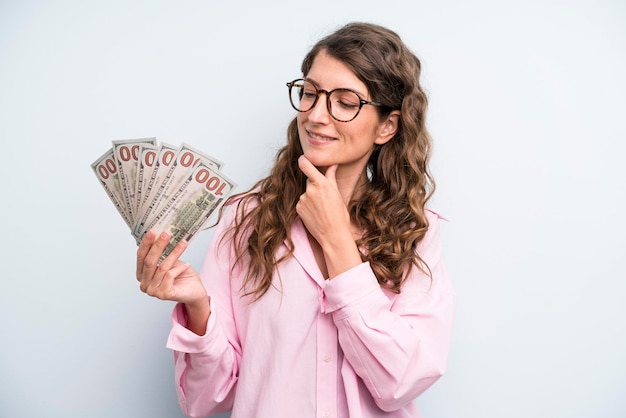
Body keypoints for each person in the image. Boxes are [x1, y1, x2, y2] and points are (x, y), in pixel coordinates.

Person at [136, 22, 456, 418]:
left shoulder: (416, 231)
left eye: (345, 101)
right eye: (309, 94)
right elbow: (206, 400)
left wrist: (337, 240)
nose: (317, 116)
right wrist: (199, 308)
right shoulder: (245, 219)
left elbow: (402, 382)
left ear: (387, 126)